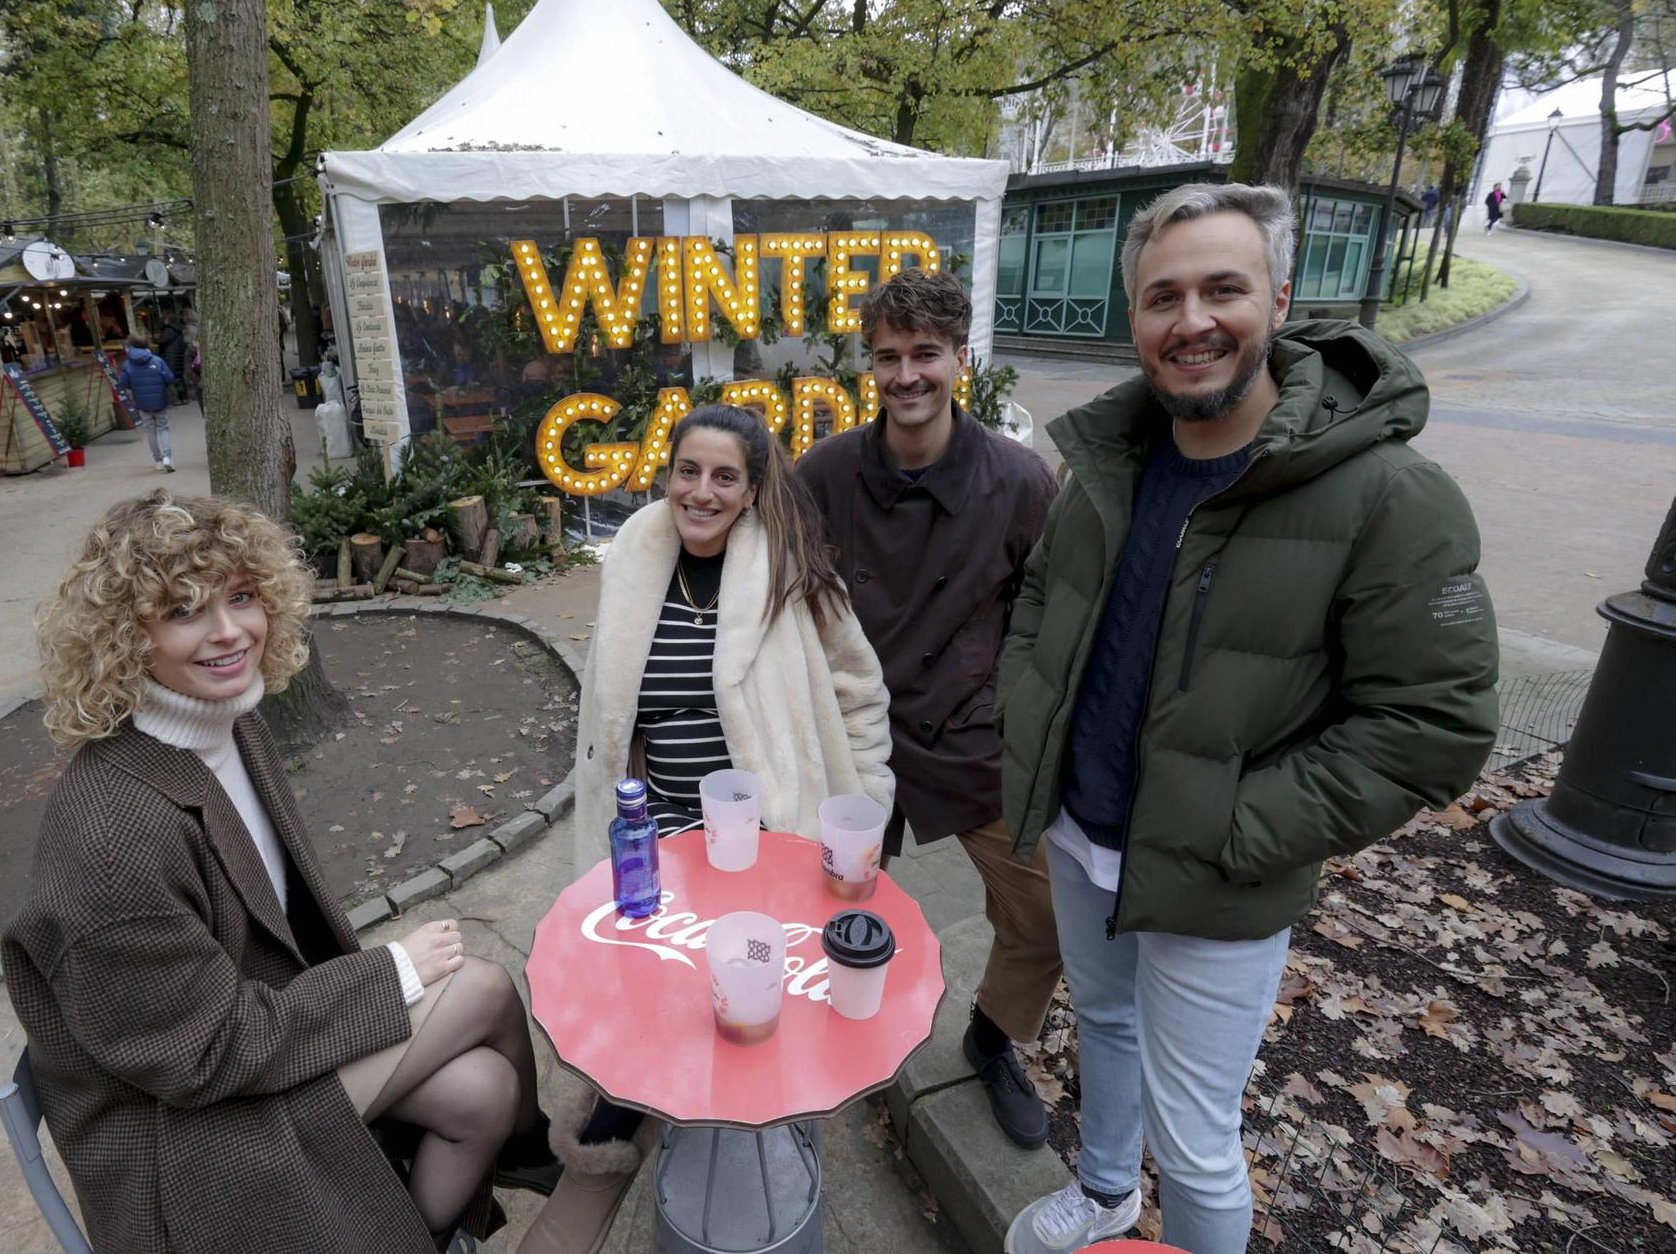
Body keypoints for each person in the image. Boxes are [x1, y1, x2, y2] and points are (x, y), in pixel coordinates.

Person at [996, 182, 1499, 1253]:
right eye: (1159, 296)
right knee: (1103, 1026)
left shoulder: (1386, 496)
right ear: (1130, 317)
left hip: (1221, 873)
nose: (1189, 321)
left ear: (1276, 296)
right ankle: (1101, 1193)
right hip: (1084, 835)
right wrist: (1025, 708)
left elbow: (1431, 724)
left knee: (1196, 1137)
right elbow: (1043, 594)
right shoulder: (1106, 461)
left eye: (1220, 288)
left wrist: (1233, 826)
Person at [3, 493, 559, 1254]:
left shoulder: (235, 726)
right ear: (126, 637)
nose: (229, 631)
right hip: (186, 1139)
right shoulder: (112, 833)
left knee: (484, 1092)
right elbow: (199, 1056)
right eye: (185, 610)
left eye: (240, 596)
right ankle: (534, 1160)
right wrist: (388, 974)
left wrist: (376, 982)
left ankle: (438, 1220)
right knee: (485, 987)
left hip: (241, 1049)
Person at [535, 403, 893, 1253]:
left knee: (757, 1024)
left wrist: (863, 803)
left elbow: (862, 692)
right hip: (655, 846)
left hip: (768, 849)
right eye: (688, 470)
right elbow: (615, 712)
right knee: (653, 1013)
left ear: (753, 488)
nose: (702, 490)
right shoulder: (635, 559)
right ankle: (633, 1147)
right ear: (668, 476)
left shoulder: (792, 571)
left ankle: (760, 1166)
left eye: (724, 475)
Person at [798, 268, 1064, 1151]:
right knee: (810, 899)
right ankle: (810, 1037)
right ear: (868, 364)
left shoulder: (1021, 481)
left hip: (967, 737)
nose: (906, 374)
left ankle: (991, 1039)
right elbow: (765, 592)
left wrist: (1002, 694)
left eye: (924, 354)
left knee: (1044, 915)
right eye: (887, 356)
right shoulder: (825, 473)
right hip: (852, 737)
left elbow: (1049, 612)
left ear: (960, 357)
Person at [118, 333, 179, 472]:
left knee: (150, 431)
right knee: (163, 428)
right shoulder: (157, 360)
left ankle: (157, 460)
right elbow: (169, 378)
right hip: (160, 401)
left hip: (142, 403)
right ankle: (167, 458)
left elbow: (124, 383)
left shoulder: (127, 365)